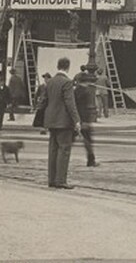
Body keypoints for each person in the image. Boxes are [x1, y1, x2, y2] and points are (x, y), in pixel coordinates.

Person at [43, 56, 81, 188]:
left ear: (57, 66)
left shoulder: (50, 82)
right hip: (63, 121)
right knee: (64, 150)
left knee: (53, 150)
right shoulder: (67, 82)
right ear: (68, 67)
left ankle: (52, 179)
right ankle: (61, 180)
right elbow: (70, 103)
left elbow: (44, 101)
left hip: (51, 120)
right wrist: (76, 120)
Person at [73, 68, 98, 167]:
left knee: (70, 140)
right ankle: (91, 160)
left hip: (76, 119)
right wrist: (86, 121)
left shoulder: (75, 91)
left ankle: (61, 156)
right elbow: (84, 107)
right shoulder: (86, 92)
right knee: (87, 140)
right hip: (83, 120)